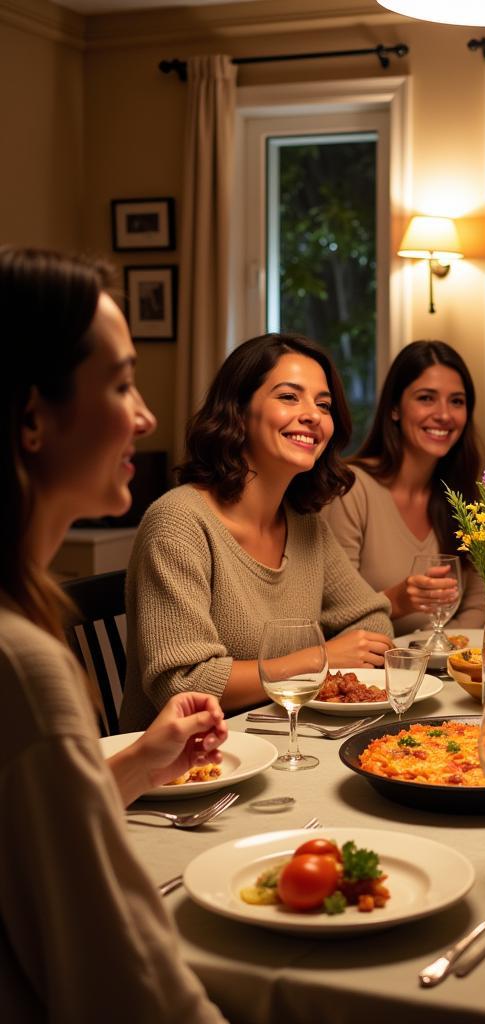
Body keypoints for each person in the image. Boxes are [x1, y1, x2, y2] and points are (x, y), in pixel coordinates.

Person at [0, 246, 228, 1021]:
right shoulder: (22, 664)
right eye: (123, 384)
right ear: (32, 415)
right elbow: (123, 984)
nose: (146, 416)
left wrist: (134, 763)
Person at [118, 333, 393, 731]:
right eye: (288, 397)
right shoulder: (178, 523)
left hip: (283, 743)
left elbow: (373, 620)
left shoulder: (304, 524)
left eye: (324, 404)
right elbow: (186, 684)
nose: (312, 415)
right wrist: (321, 659)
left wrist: (330, 660)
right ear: (239, 411)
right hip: (185, 771)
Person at [324, 340, 485, 635]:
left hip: (446, 671)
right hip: (373, 671)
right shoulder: (350, 489)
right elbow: (333, 617)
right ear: (395, 409)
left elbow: (477, 606)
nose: (444, 414)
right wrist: (396, 601)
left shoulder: (463, 498)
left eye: (457, 401)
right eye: (426, 398)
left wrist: (441, 653)